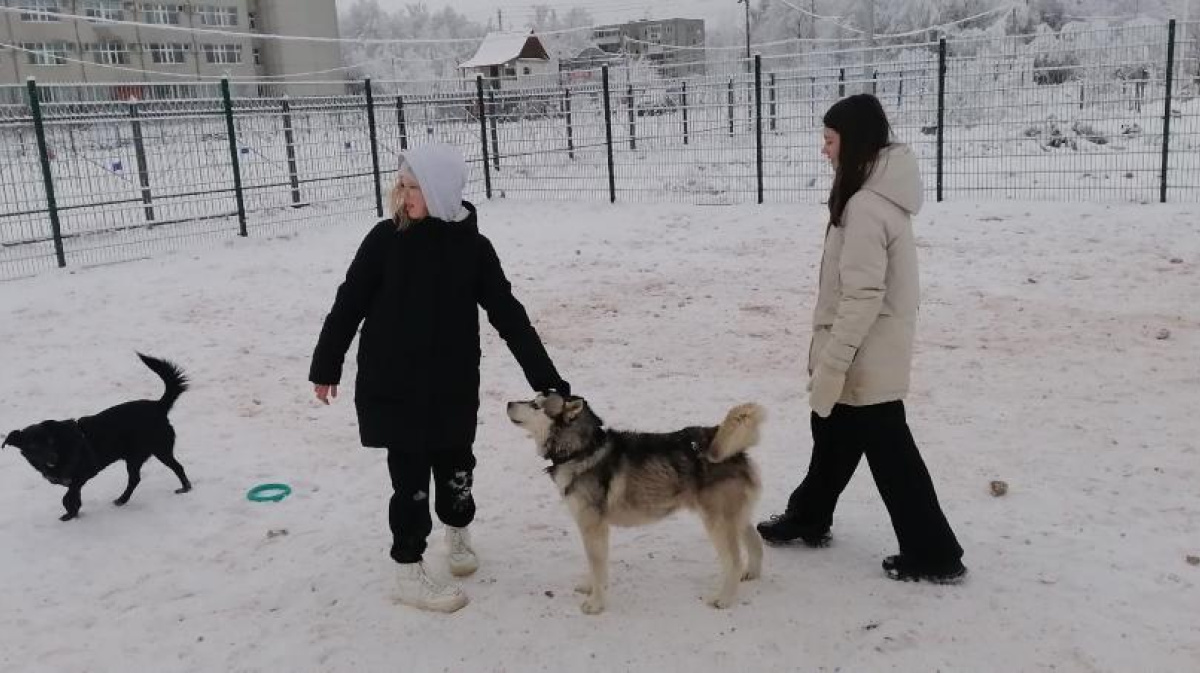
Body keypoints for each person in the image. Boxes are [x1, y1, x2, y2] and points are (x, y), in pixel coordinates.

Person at [309, 144, 570, 612]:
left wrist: (546, 379)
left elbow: (508, 315)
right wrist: (326, 365)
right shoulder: (384, 241)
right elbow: (348, 303)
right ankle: (408, 569)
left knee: (457, 469)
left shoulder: (473, 248)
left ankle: (458, 530)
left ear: (440, 192)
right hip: (393, 383)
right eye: (402, 186)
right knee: (408, 479)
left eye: (414, 188)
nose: (403, 195)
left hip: (451, 383)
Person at [757, 94, 966, 584]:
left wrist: (833, 363)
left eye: (830, 141)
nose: (824, 150)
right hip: (869, 349)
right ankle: (809, 516)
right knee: (832, 433)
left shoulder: (868, 206)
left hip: (865, 355)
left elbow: (863, 296)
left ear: (854, 142)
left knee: (891, 454)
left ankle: (933, 552)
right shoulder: (873, 195)